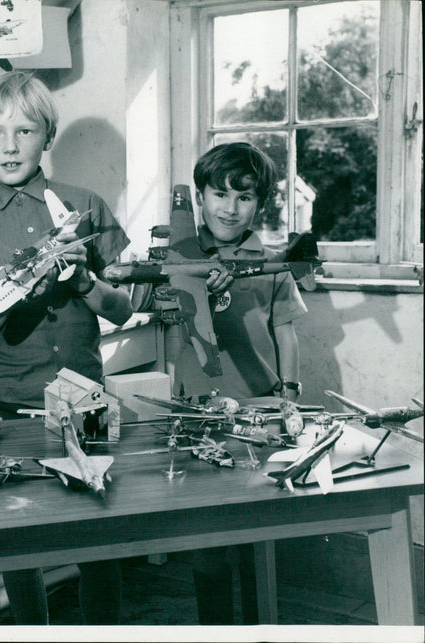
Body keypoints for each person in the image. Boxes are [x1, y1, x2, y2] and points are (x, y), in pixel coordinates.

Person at [0, 71, 133, 625]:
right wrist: (12, 285)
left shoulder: (84, 207)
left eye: (24, 131)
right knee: (18, 544)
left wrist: (84, 284)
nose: (9, 145)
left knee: (99, 537)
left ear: (47, 135)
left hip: (82, 400)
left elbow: (125, 308)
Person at [171, 142, 308, 625]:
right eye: (219, 194)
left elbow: (285, 333)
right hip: (199, 413)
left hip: (261, 408)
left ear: (261, 202)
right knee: (207, 543)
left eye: (244, 198)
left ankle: (257, 627)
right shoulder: (178, 256)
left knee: (254, 536)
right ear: (200, 197)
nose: (230, 208)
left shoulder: (270, 263)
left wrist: (288, 395)